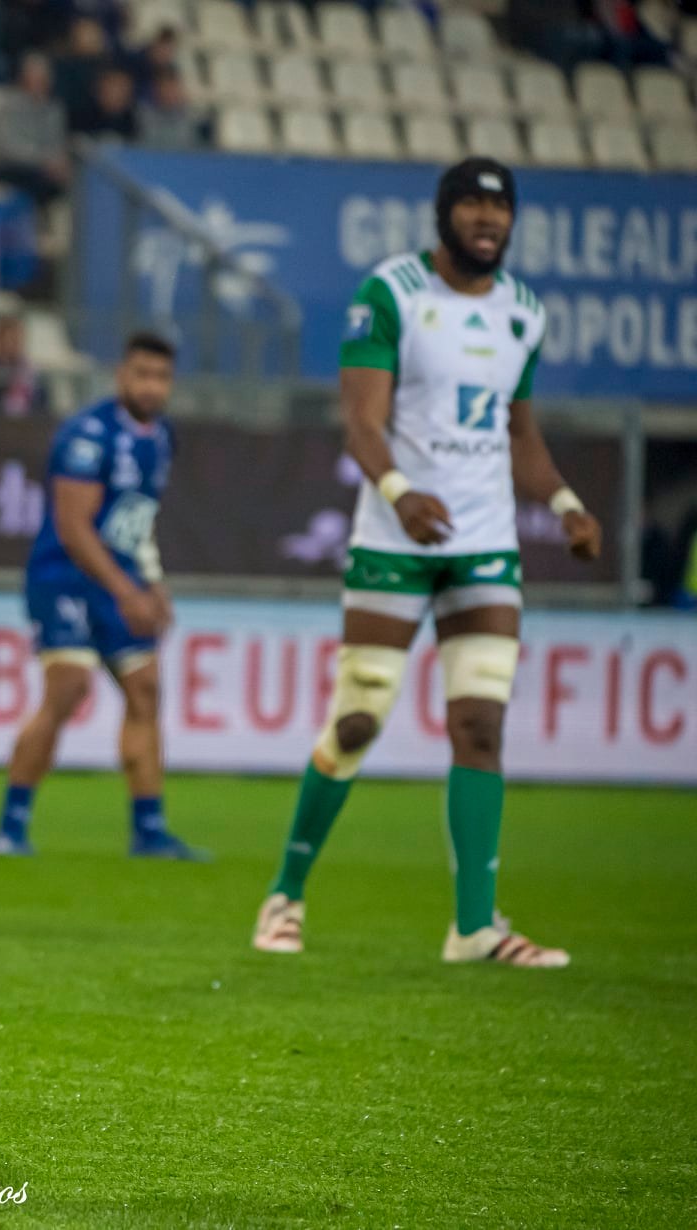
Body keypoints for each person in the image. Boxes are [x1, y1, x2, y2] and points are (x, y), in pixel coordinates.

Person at [252, 159, 602, 968]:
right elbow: (361, 423)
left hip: (485, 541)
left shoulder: (524, 311)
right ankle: (285, 897)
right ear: (445, 215)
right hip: (395, 539)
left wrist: (564, 505)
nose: (488, 217)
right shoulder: (391, 293)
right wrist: (403, 493)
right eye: (473, 203)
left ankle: (474, 926)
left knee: (480, 724)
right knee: (360, 716)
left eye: (500, 205)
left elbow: (518, 433)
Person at [0, 332, 207, 861]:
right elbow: (73, 527)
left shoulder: (160, 438)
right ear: (121, 375)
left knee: (146, 689)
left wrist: (154, 584)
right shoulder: (87, 435)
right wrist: (128, 591)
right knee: (68, 689)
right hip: (64, 577)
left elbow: (138, 522)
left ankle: (149, 829)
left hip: (122, 579)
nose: (152, 387)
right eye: (142, 375)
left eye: (161, 378)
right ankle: (11, 824)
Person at [0, 52, 68, 206]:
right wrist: (42, 160)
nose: (38, 84)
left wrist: (56, 161)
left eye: (42, 79)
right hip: (9, 165)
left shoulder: (54, 109)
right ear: (23, 79)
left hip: (44, 168)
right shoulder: (7, 106)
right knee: (38, 181)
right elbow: (6, 147)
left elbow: (57, 143)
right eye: (34, 78)